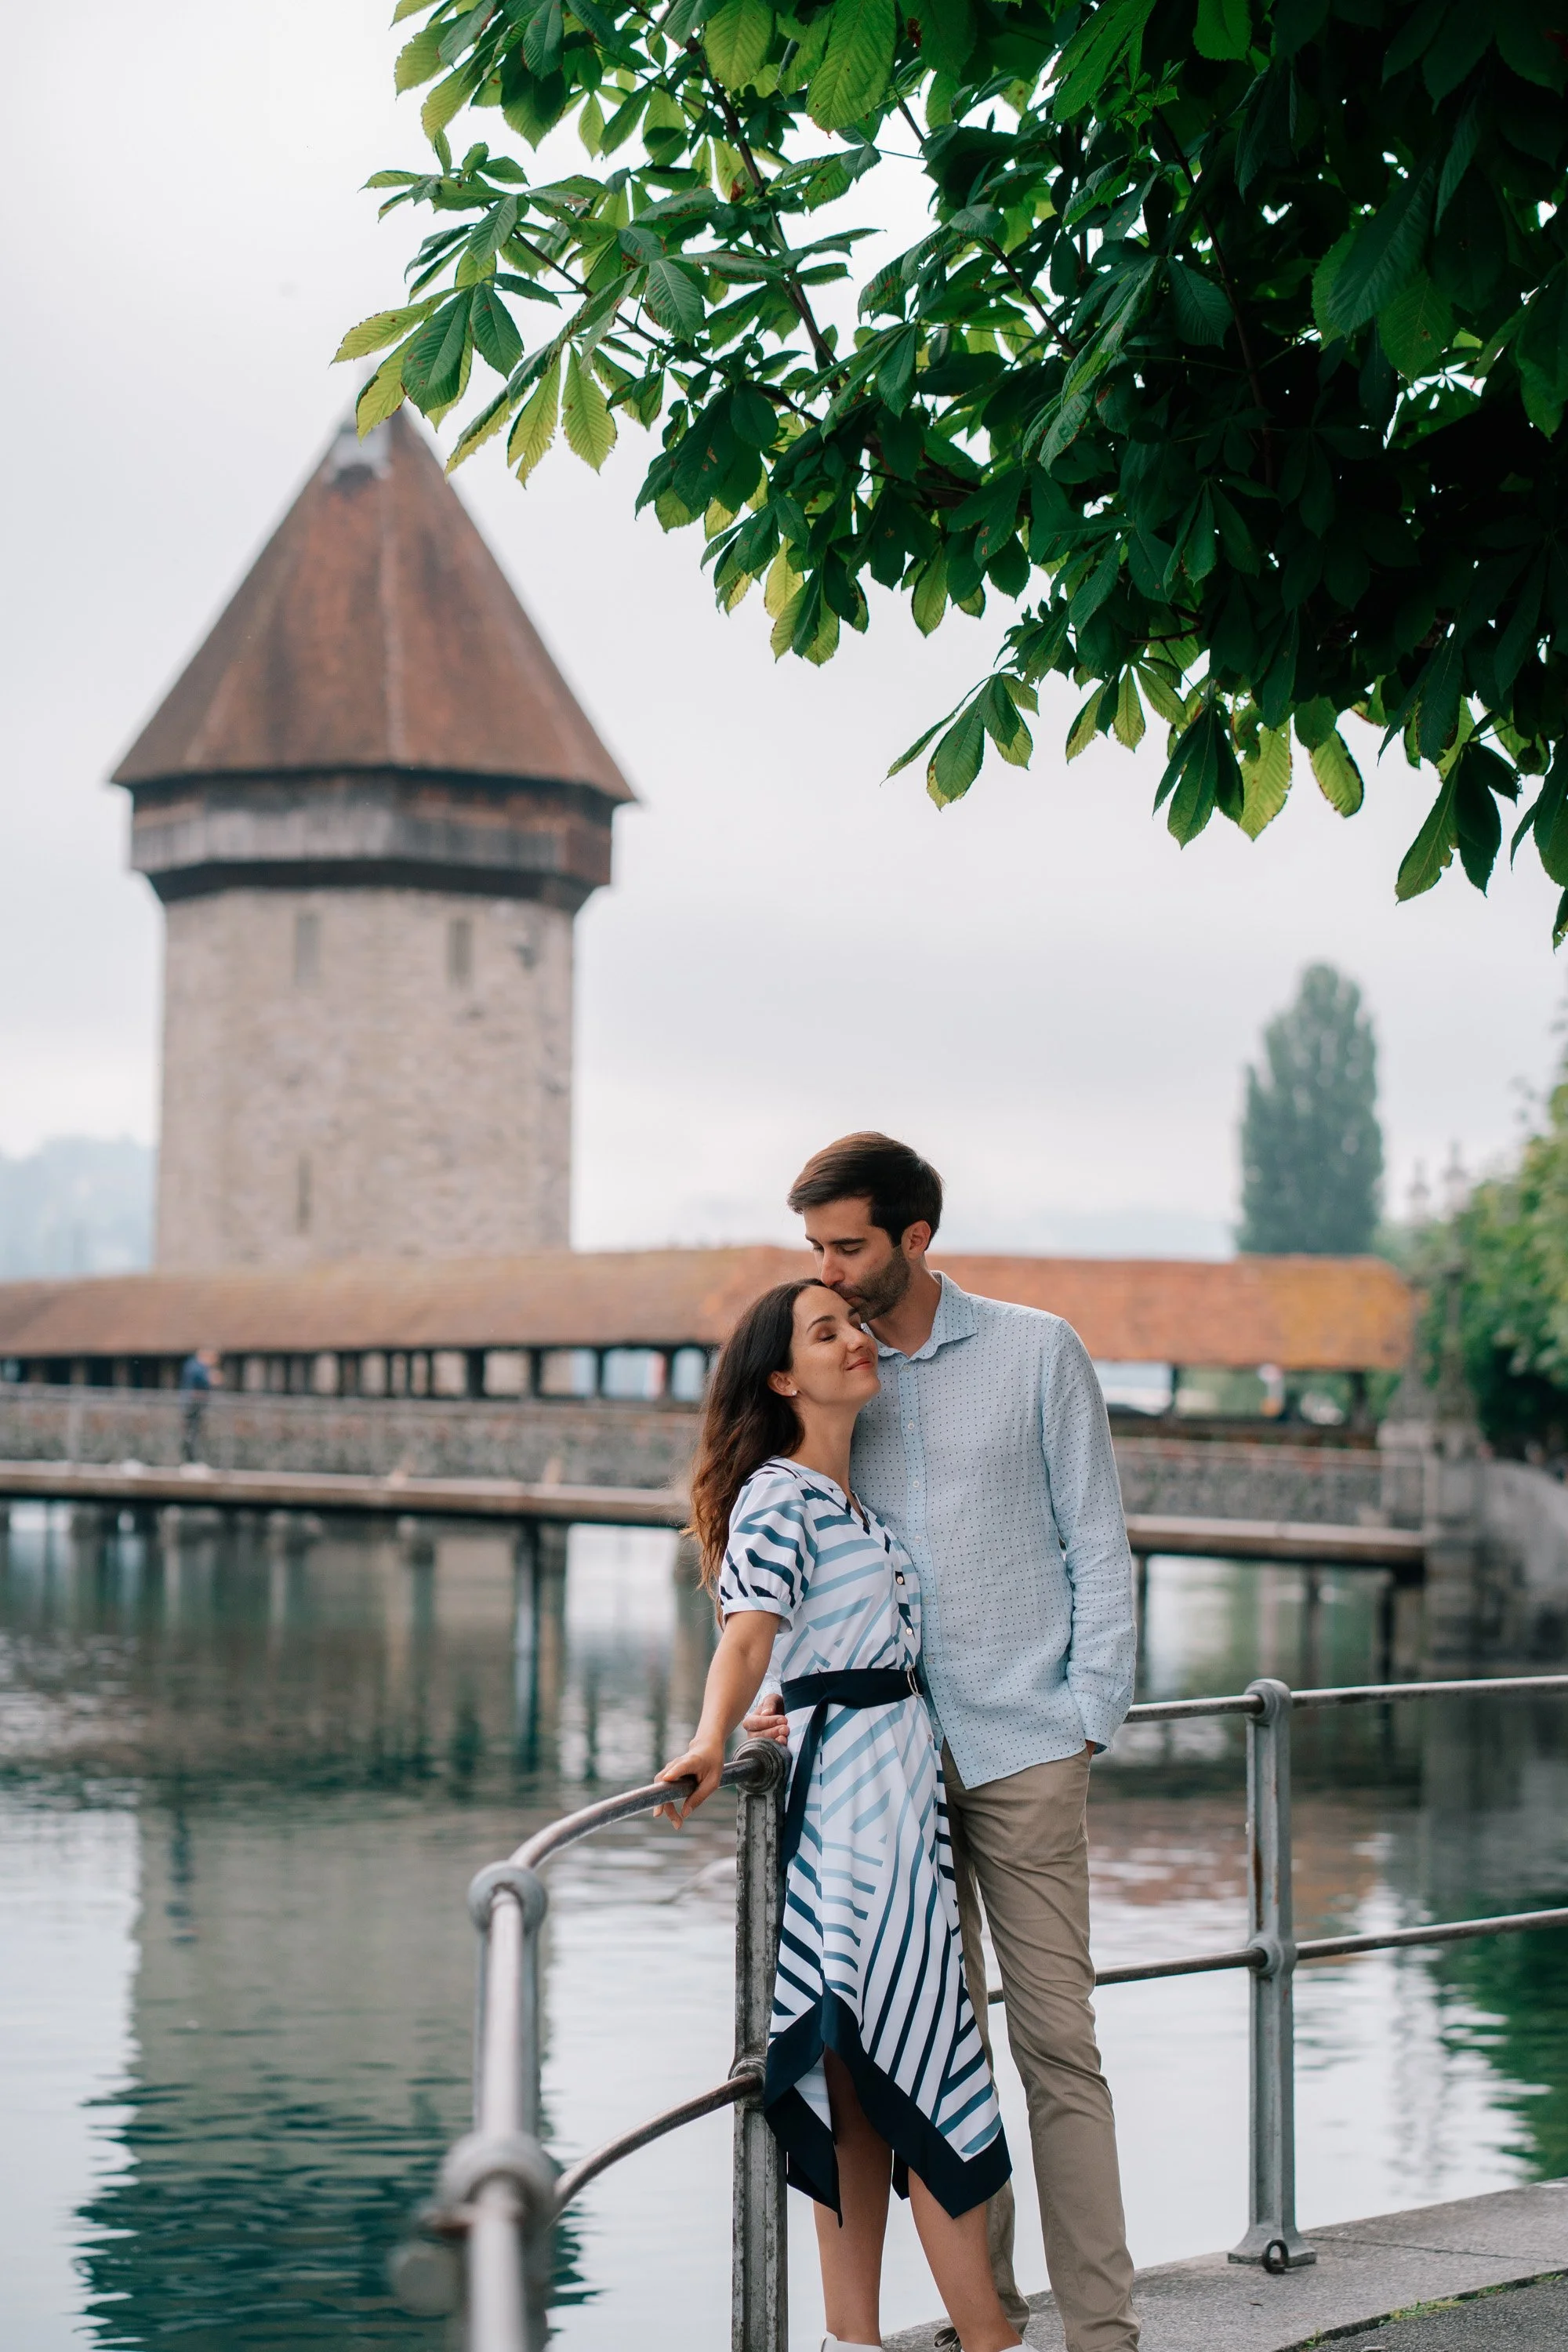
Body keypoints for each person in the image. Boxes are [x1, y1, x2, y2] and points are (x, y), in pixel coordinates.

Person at [749, 1135, 1140, 2352]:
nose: (829, 1270)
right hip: (888, 1773)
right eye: (815, 1246)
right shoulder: (843, 1368)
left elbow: (1099, 1544)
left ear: (915, 1239)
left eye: (847, 1244)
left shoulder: (1037, 1350)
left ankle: (1105, 2333)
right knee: (936, 2051)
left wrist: (1090, 1716)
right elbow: (798, 1545)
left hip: (1027, 1744)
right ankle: (995, 2321)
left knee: (1056, 2045)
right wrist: (768, 1693)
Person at [655, 1279, 1022, 2352]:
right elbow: (748, 1633)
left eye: (854, 1323)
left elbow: (812, 1650)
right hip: (857, 1829)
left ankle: (850, 2342)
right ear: (782, 1376)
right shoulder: (778, 1497)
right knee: (918, 2060)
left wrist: (787, 1706)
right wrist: (715, 1734)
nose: (857, 1340)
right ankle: (991, 2339)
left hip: (900, 1810)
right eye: (827, 1333)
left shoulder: (853, 1506)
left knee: (863, 2081)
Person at [178, 1345, 222, 1464]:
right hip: (192, 1404)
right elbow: (205, 1379)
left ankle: (194, 1459)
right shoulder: (195, 1366)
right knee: (191, 1433)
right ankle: (190, 1460)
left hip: (197, 1405)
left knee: (196, 1432)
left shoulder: (197, 1367)